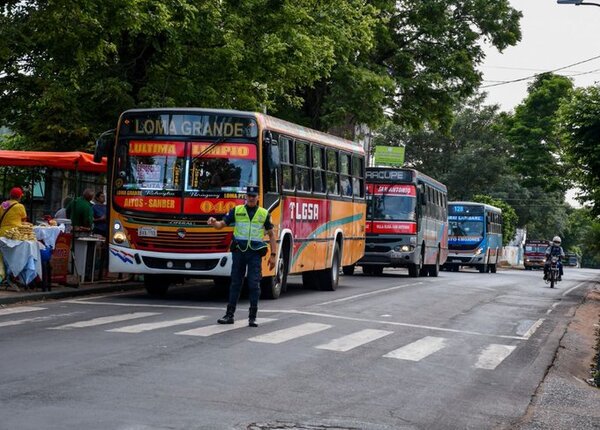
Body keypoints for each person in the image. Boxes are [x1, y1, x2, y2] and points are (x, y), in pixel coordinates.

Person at [207, 185, 277, 327]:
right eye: (249, 196)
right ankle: (229, 315)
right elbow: (221, 224)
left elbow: (271, 234)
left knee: (253, 284)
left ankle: (252, 317)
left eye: (254, 196)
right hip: (239, 251)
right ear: (246, 197)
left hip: (254, 253)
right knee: (235, 284)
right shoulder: (237, 211)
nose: (251, 198)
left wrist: (273, 255)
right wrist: (214, 223)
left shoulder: (264, 213)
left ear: (258, 197)